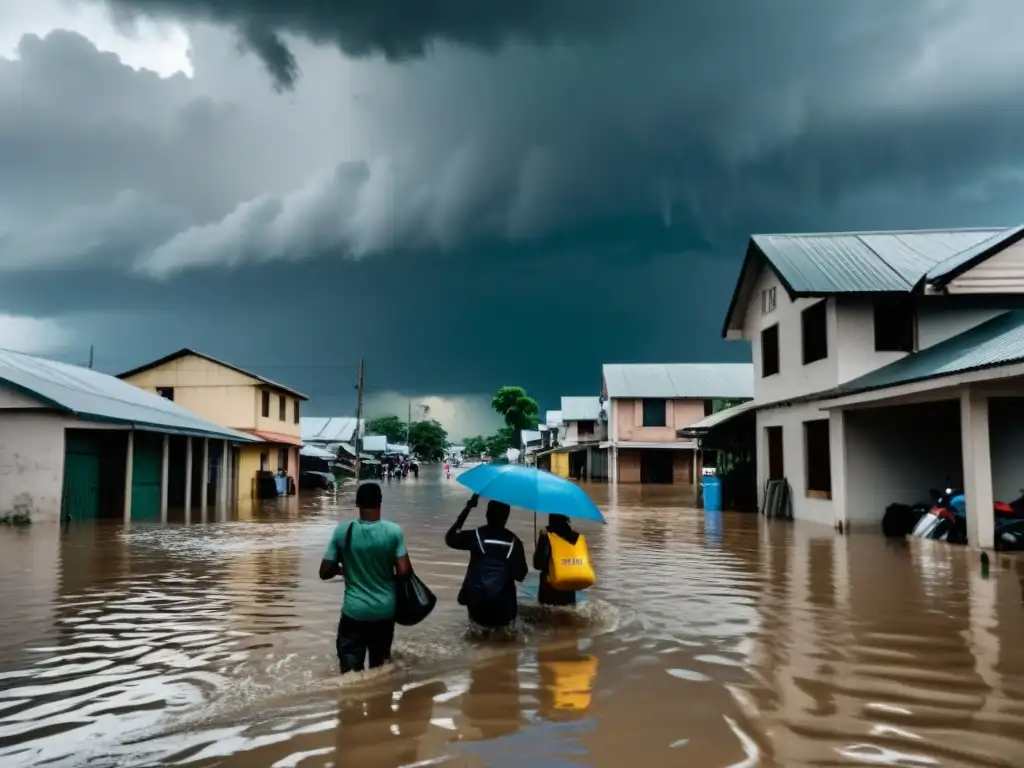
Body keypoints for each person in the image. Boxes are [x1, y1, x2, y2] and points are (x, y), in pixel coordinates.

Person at [319, 482, 412, 674]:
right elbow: (404, 571)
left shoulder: (343, 531)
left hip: (355, 612)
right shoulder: (393, 531)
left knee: (350, 674)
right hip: (385, 611)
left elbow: (324, 572)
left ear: (357, 503)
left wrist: (342, 569)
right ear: (380, 502)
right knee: (380, 669)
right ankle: (380, 701)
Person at [446, 494, 528, 629]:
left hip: (477, 602)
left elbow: (450, 538)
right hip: (504, 606)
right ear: (506, 518)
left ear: (487, 515)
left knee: (477, 634)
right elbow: (521, 575)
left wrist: (468, 508)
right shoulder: (515, 542)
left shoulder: (475, 536)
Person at [534, 514, 580, 607]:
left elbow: (538, 565)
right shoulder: (575, 536)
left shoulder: (545, 535)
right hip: (568, 590)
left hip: (548, 590)